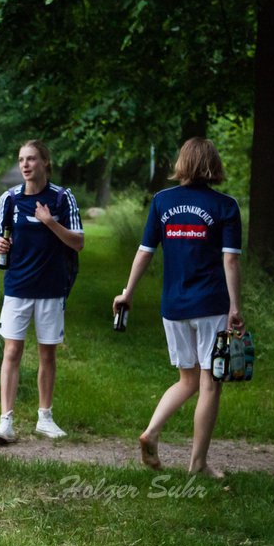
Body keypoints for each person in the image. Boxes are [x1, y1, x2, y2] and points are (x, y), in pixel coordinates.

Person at [112, 137, 243, 479]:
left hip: (173, 305)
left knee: (187, 380)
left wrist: (127, 293)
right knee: (210, 383)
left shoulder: (162, 201)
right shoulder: (226, 206)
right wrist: (235, 307)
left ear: (182, 163)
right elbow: (230, 260)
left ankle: (152, 431)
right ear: (213, 164)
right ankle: (198, 464)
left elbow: (145, 252)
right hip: (211, 303)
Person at [0, 140, 84, 444]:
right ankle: (6, 422)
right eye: (21, 160)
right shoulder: (10, 199)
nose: (25, 165)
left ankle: (45, 418)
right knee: (12, 351)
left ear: (45, 162)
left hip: (51, 287)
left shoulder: (61, 198)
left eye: (31, 159)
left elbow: (78, 242)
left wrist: (49, 223)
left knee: (47, 353)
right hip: (17, 285)